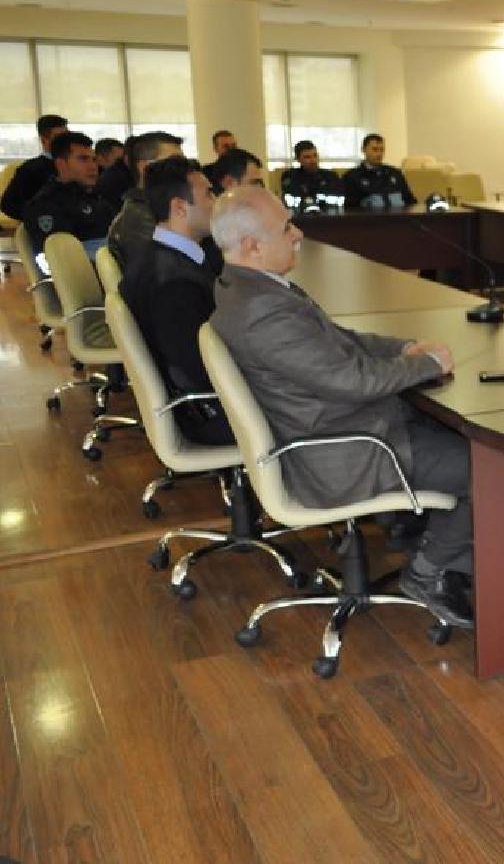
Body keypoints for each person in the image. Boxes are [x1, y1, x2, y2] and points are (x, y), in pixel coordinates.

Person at [208, 186, 473, 626]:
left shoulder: (245, 287)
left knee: (460, 436)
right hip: (347, 449)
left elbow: (340, 341)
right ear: (253, 245)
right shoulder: (263, 311)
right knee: (488, 469)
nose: (298, 234)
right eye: (286, 227)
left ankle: (442, 547)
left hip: (337, 426)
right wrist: (426, 364)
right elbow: (351, 381)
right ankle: (428, 573)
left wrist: (404, 348)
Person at [119, 156, 232, 445]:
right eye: (209, 194)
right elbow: (199, 369)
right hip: (212, 414)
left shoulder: (158, 257)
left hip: (204, 402)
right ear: (180, 207)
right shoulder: (174, 283)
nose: (217, 202)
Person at [22, 130, 115, 259]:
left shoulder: (97, 198)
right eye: (83, 159)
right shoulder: (45, 205)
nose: (93, 166)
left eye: (94, 160)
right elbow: (58, 259)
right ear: (61, 164)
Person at [107, 131, 191, 271]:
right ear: (145, 168)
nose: (183, 170)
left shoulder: (157, 207)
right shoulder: (139, 219)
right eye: (174, 163)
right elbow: (166, 272)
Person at [1, 114, 69, 220]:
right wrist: (39, 217)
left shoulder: (76, 164)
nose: (65, 141)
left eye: (67, 136)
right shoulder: (30, 170)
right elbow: (9, 205)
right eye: (59, 137)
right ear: (44, 140)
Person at [342, 133, 416, 208]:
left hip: (399, 214)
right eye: (375, 149)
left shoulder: (395, 173)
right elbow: (349, 207)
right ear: (363, 149)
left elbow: (411, 201)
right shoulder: (353, 176)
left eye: (382, 150)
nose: (379, 154)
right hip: (370, 215)